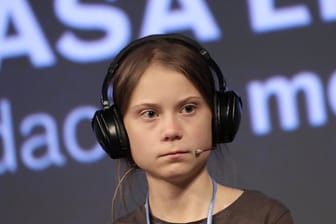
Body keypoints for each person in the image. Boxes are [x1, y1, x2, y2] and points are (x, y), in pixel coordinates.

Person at [92, 33, 294, 224]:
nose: (171, 131)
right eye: (150, 114)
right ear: (117, 131)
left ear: (217, 117)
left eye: (188, 109)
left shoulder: (264, 217)